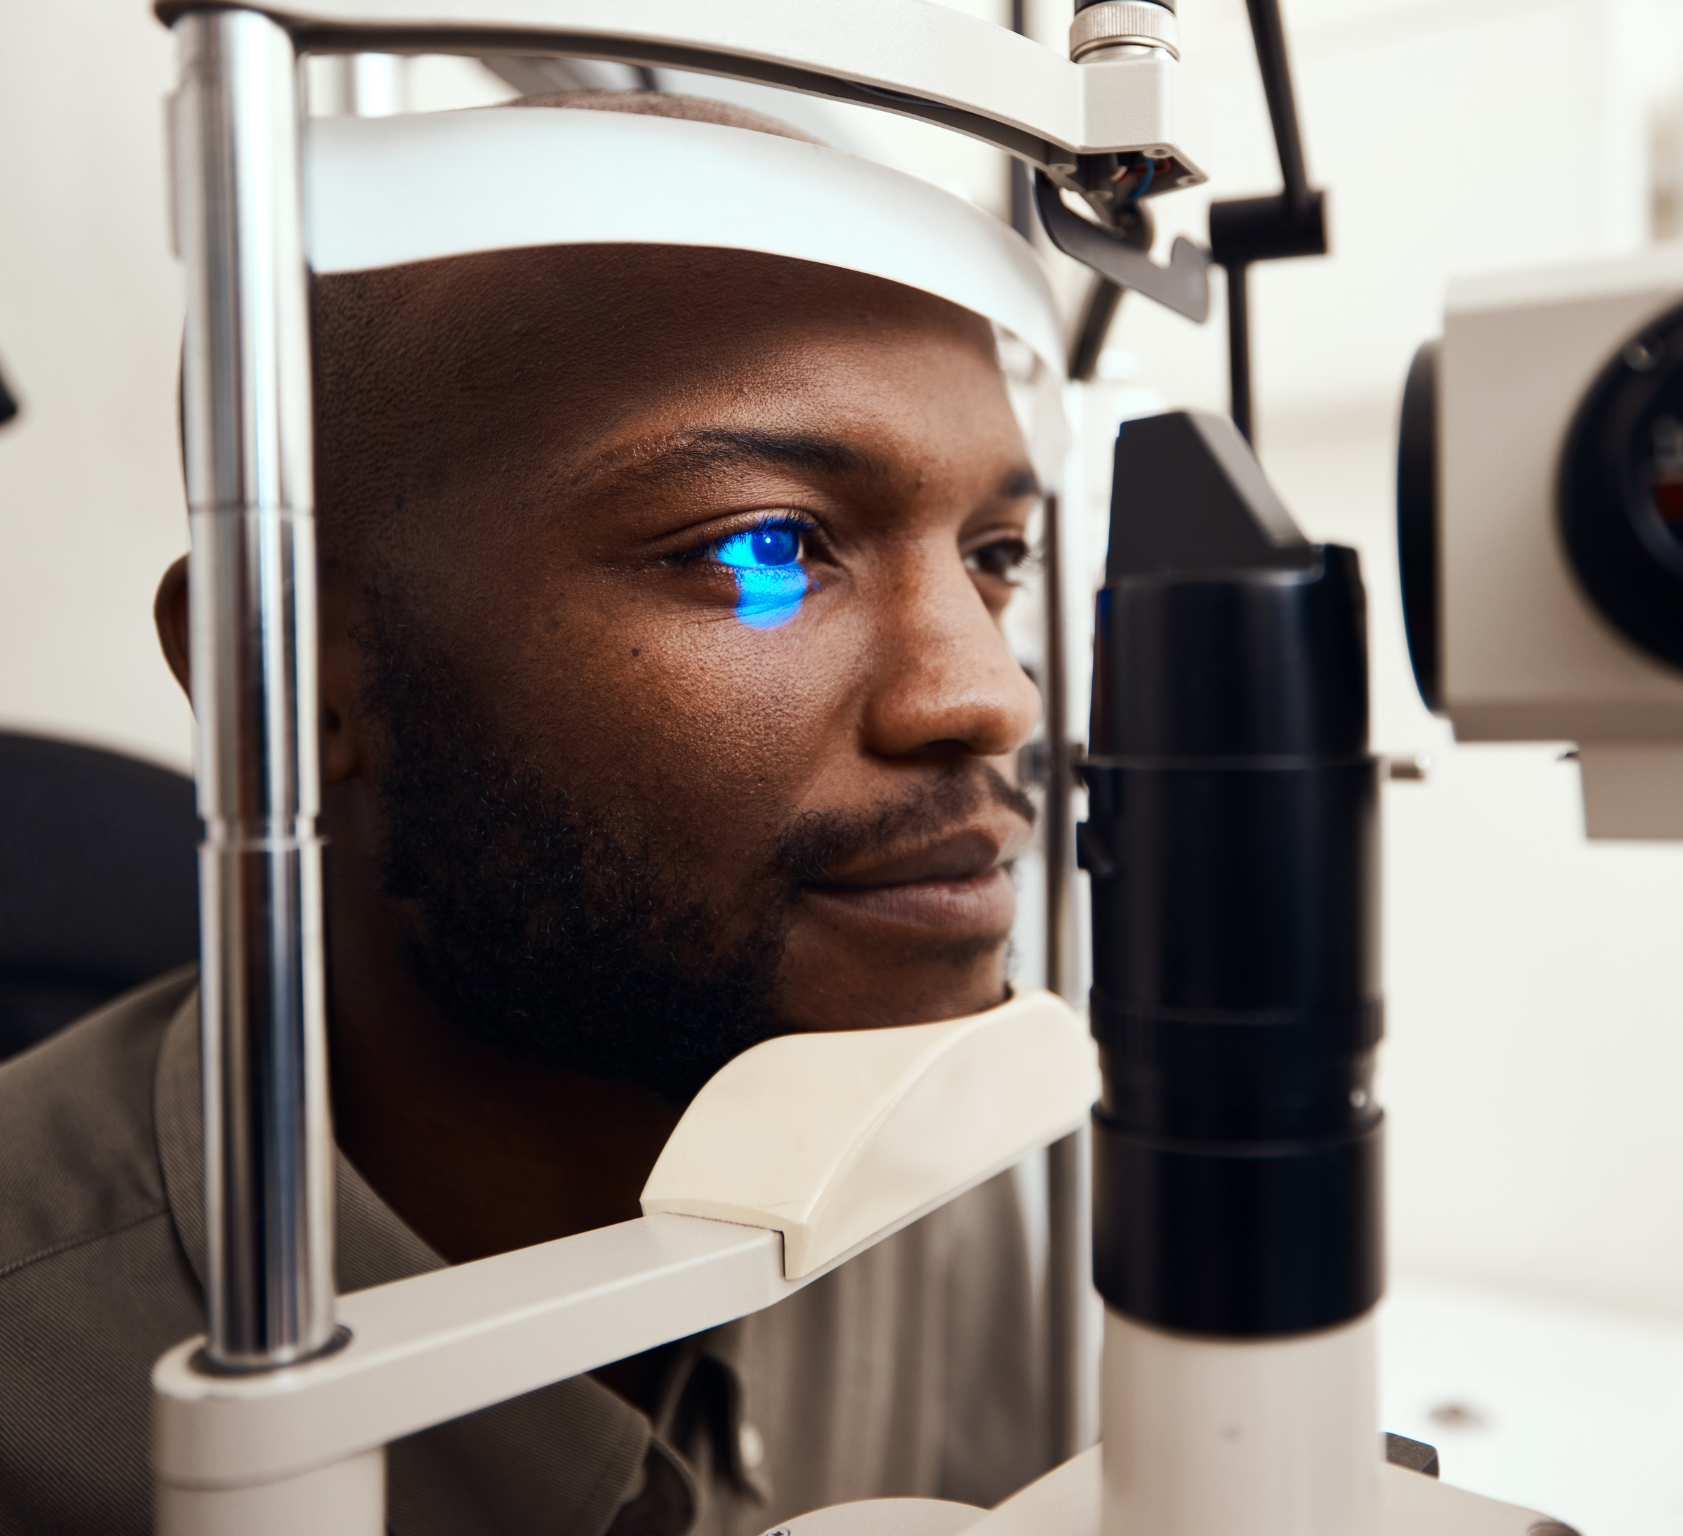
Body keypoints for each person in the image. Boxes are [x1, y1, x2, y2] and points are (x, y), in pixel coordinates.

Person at [0, 91, 1053, 1535]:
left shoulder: (971, 1170)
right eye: (762, 548)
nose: (988, 694)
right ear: (285, 679)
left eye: (996, 553)